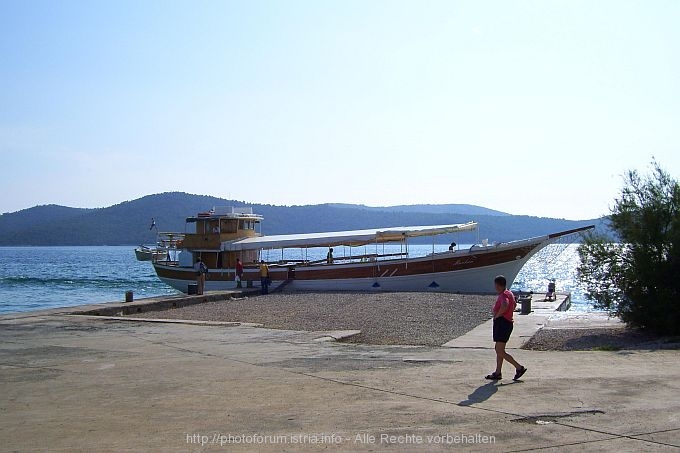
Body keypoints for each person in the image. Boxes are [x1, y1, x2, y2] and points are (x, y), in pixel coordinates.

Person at [486, 275, 527, 381]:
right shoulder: (510, 293)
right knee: (499, 349)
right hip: (506, 323)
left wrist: (497, 315)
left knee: (500, 350)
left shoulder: (504, 295)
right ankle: (498, 372)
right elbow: (513, 305)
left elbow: (505, 305)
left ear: (499, 285)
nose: (495, 287)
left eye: (495, 285)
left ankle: (519, 367)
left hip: (503, 324)